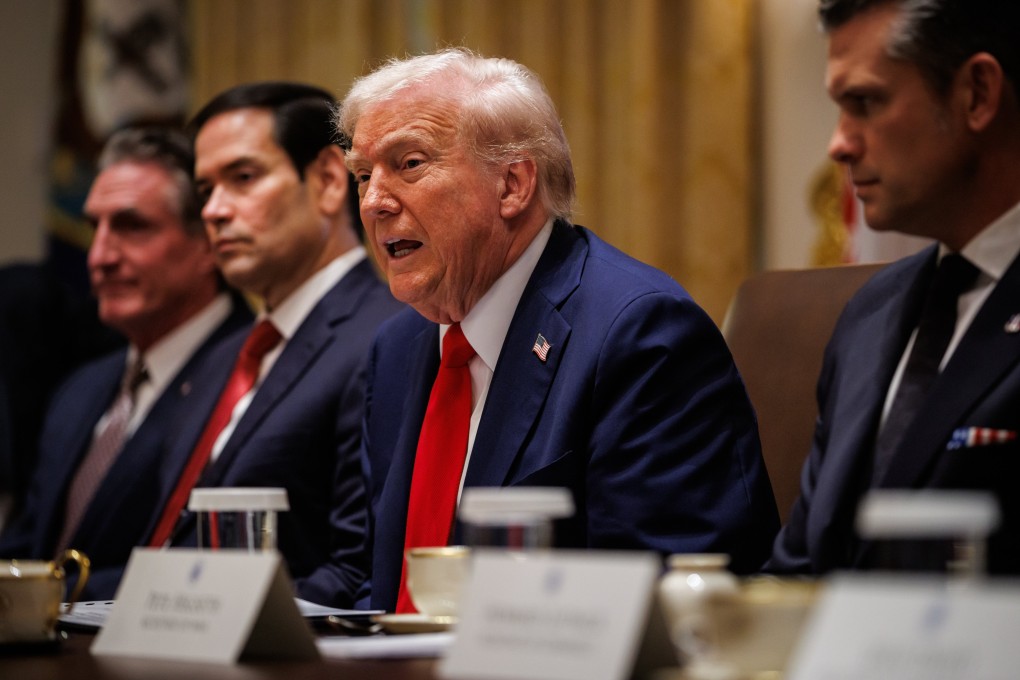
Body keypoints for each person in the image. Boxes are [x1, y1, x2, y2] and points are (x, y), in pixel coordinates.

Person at [338, 48, 779, 612]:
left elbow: (662, 603)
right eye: (363, 175)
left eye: (410, 164)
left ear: (512, 186)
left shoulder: (640, 335)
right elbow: (378, 588)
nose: (373, 202)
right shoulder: (397, 349)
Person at [767, 0, 1020, 575]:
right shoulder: (869, 315)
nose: (838, 144)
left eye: (865, 103)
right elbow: (801, 568)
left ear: (977, 94)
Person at [146, 82, 403, 607]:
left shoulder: (390, 337)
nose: (214, 211)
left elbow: (358, 572)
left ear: (330, 180)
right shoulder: (226, 355)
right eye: (204, 192)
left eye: (242, 178)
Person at [0, 127, 253, 598]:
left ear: (207, 243)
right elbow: (29, 543)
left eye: (132, 226)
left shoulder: (255, 373)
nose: (100, 257)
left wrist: (42, 596)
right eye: (95, 227)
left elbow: (209, 564)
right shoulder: (81, 388)